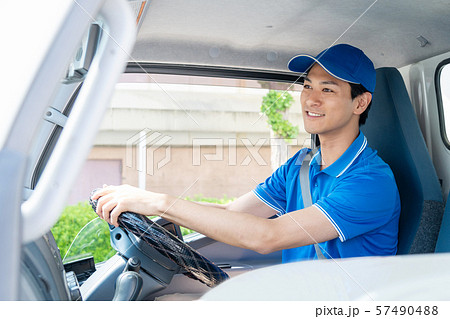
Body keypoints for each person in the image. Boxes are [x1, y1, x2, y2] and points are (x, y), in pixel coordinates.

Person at [92, 44, 401, 262]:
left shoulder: (371, 182)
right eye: (307, 86)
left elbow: (268, 236)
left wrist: (159, 202)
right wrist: (153, 206)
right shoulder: (301, 165)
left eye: (328, 89)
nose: (310, 100)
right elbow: (232, 214)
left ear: (360, 103)